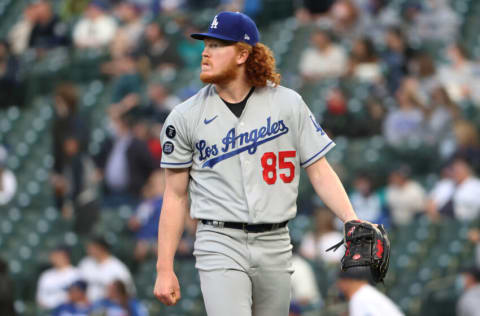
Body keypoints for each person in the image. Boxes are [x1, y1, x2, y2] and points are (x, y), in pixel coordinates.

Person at [153, 11, 361, 316]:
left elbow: (319, 170)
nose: (205, 53)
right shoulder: (184, 116)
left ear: (242, 54)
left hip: (276, 240)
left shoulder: (288, 104)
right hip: (218, 239)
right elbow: (174, 195)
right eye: (205, 45)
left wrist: (350, 218)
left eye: (216, 45)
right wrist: (163, 267)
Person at [78, 237, 135, 302]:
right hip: (86, 306)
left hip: (110, 306)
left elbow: (128, 292)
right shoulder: (85, 263)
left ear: (101, 248)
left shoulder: (118, 268)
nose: (88, 250)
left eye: (92, 247)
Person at [336, 267, 404, 316]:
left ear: (348, 281)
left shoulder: (360, 298)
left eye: (341, 281)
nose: (339, 285)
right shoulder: (366, 294)